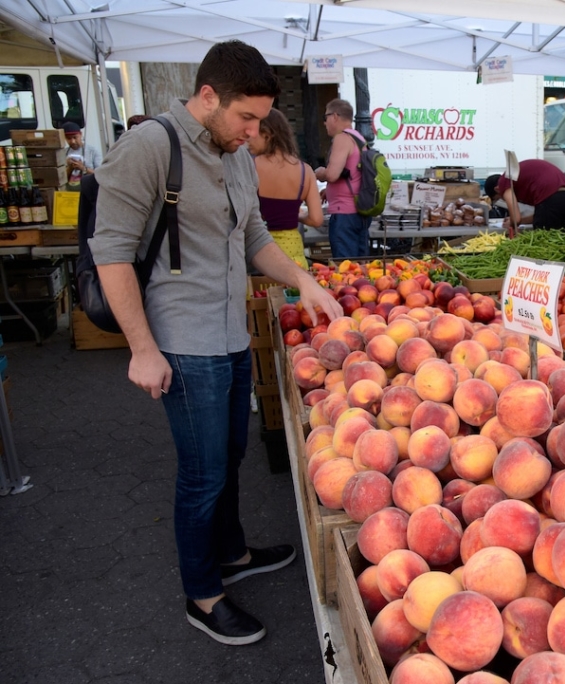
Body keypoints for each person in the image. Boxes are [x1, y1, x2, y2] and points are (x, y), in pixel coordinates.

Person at [90, 39, 343, 646]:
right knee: (202, 473)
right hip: (182, 339)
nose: (255, 132)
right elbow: (111, 250)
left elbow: (254, 235)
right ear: (207, 97)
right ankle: (202, 595)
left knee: (229, 454)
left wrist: (302, 279)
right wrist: (142, 350)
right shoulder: (151, 146)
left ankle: (231, 552)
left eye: (261, 119)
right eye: (246, 117)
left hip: (230, 330)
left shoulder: (234, 153)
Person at [248, 108, 323, 267]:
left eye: (253, 132)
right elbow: (316, 219)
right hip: (293, 252)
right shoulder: (306, 171)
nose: (248, 138)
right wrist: (296, 216)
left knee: (262, 291)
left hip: (259, 248)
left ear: (267, 135)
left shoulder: (250, 166)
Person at [315, 99, 370, 258]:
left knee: (346, 268)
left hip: (345, 214)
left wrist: (320, 172)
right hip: (360, 212)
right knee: (360, 266)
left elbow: (332, 174)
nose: (325, 123)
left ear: (335, 116)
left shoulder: (342, 138)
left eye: (325, 118)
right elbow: (353, 175)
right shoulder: (359, 139)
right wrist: (331, 191)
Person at [484, 159, 565, 231]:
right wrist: (520, 220)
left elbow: (516, 219)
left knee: (544, 243)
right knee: (562, 237)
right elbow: (541, 213)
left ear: (497, 189)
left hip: (551, 195)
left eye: (501, 198)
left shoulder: (504, 181)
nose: (505, 200)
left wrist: (511, 222)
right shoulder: (520, 180)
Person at [62, 121, 103, 187]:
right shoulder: (63, 153)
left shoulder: (93, 151)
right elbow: (61, 179)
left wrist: (83, 168)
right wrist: (70, 168)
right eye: (69, 138)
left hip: (89, 189)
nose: (72, 141)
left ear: (80, 134)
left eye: (75, 137)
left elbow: (101, 174)